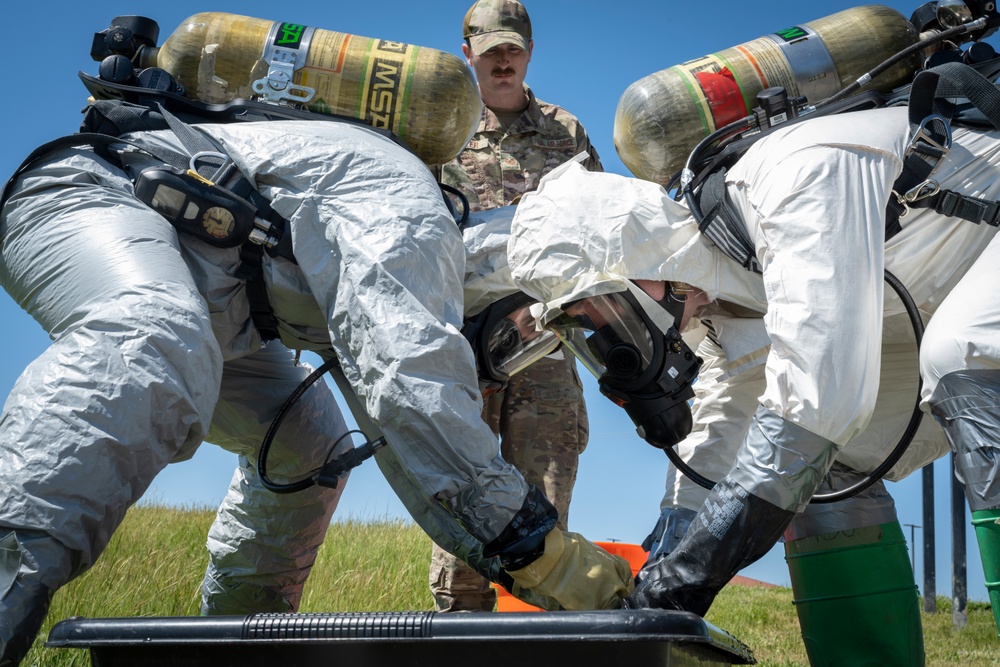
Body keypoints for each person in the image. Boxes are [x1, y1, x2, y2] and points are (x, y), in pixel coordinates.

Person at [0, 82, 634, 667]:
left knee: (310, 444)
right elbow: (414, 387)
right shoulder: (409, 212)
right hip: (90, 195)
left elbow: (422, 459)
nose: (493, 362)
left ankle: (236, 650)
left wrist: (534, 564)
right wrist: (553, 561)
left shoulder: (394, 268)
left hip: (219, 301)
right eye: (505, 334)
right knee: (154, 336)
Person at [506, 64, 1000, 662]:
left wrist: (688, 579)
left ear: (632, 258)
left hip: (969, 275)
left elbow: (819, 399)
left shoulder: (795, 181)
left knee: (963, 353)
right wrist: (655, 586)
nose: (612, 342)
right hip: (946, 283)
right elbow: (722, 437)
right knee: (827, 470)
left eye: (602, 316)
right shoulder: (722, 292)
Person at [427, 0, 603, 613]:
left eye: (515, 48)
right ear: (467, 49)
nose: (504, 60)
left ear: (529, 51)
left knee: (546, 492)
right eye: (492, 48)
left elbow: (598, 231)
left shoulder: (566, 132)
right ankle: (457, 629)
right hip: (464, 345)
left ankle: (539, 625)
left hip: (547, 346)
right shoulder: (436, 126)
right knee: (464, 486)